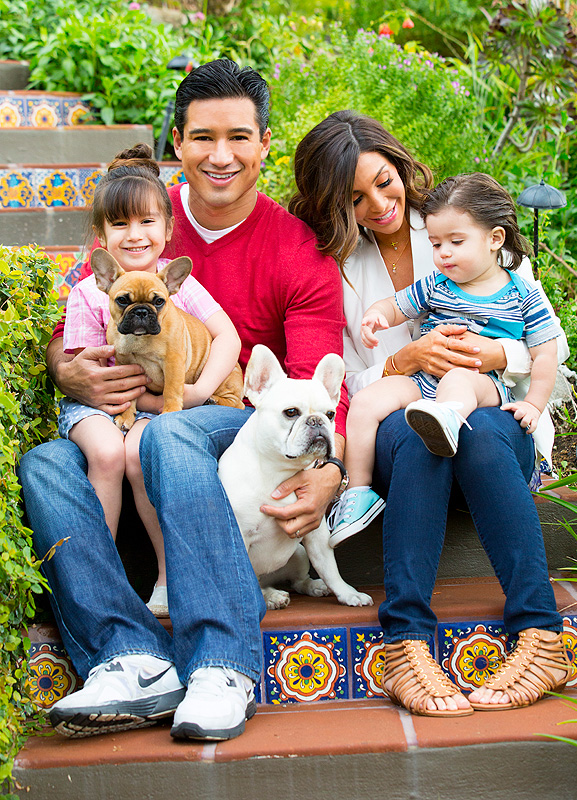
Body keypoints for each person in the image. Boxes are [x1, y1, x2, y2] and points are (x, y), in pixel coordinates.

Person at [18, 59, 348, 741]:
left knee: (169, 432)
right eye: (202, 138)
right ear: (177, 142)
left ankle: (222, 661)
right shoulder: (140, 219)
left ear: (264, 145)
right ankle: (127, 654)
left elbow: (315, 382)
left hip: (235, 416)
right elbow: (74, 323)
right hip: (130, 414)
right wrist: (70, 372)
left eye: (237, 137)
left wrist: (328, 468)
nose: (219, 156)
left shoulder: (297, 249)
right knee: (47, 463)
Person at [290, 110, 571, 717]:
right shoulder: (329, 265)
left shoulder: (457, 219)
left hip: (493, 415)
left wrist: (494, 352)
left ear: (400, 166)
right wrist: (402, 362)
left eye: (384, 182)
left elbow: (549, 341)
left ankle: (542, 636)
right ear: (331, 203)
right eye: (354, 198)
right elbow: (336, 376)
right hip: (401, 430)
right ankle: (405, 644)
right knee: (421, 434)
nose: (378, 204)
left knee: (483, 433)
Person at [59, 143, 243, 619]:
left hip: (159, 398)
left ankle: (166, 576)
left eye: (147, 223)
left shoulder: (177, 280)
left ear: (166, 229)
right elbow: (86, 366)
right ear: (102, 238)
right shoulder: (87, 289)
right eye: (120, 224)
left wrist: (194, 395)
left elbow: (221, 336)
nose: (135, 235)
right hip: (109, 397)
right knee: (106, 453)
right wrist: (118, 400)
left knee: (142, 455)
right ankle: (104, 580)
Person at [330, 172, 560, 544]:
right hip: (420, 385)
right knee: (369, 401)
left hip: (478, 384)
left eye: (383, 181)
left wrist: (509, 368)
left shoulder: (508, 274)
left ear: (494, 240)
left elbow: (549, 348)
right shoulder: (435, 282)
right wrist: (378, 319)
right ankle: (357, 491)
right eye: (437, 245)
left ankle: (448, 418)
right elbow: (396, 307)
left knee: (458, 383)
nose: (443, 253)